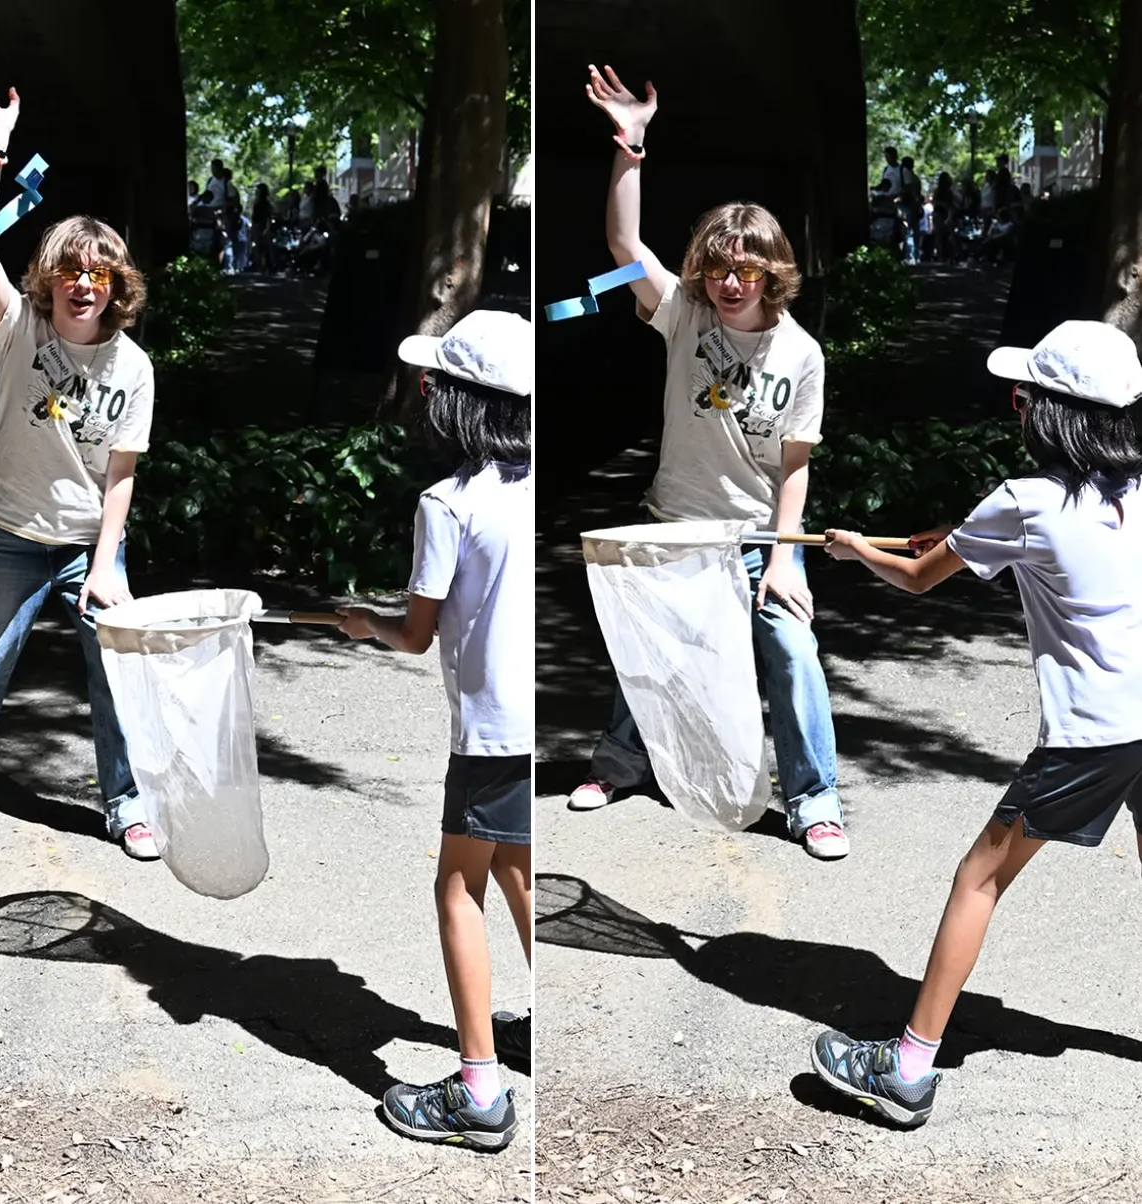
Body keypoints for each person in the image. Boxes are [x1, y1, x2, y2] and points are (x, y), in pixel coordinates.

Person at [810, 320, 1142, 1127]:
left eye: (1023, 396)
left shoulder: (1027, 501)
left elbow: (921, 578)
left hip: (1094, 733)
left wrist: (856, 550)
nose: (1015, 406)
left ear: (1047, 412)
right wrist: (960, 540)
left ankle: (909, 1068)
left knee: (978, 878)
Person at [568, 64, 849, 860]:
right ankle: (622, 765)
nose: (729, 282)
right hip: (675, 522)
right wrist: (631, 142)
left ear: (772, 272)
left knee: (792, 656)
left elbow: (796, 461)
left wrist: (786, 560)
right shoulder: (685, 313)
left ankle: (813, 801)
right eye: (718, 267)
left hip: (759, 536)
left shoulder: (801, 352)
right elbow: (623, 245)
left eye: (746, 270)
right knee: (649, 647)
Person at [0, 74, 157, 859]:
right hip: (3, 530)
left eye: (99, 274)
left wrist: (105, 566)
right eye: (71, 271)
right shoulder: (18, 331)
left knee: (120, 672)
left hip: (89, 543)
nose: (84, 284)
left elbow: (121, 472)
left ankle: (127, 804)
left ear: (116, 285)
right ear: (51, 279)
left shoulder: (133, 367)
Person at [333, 310, 533, 1150]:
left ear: (451, 402)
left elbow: (416, 634)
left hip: (489, 732)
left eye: (434, 382)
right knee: (522, 870)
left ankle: (480, 1092)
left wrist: (359, 623)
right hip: (535, 725)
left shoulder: (446, 505)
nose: (424, 392)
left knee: (460, 887)